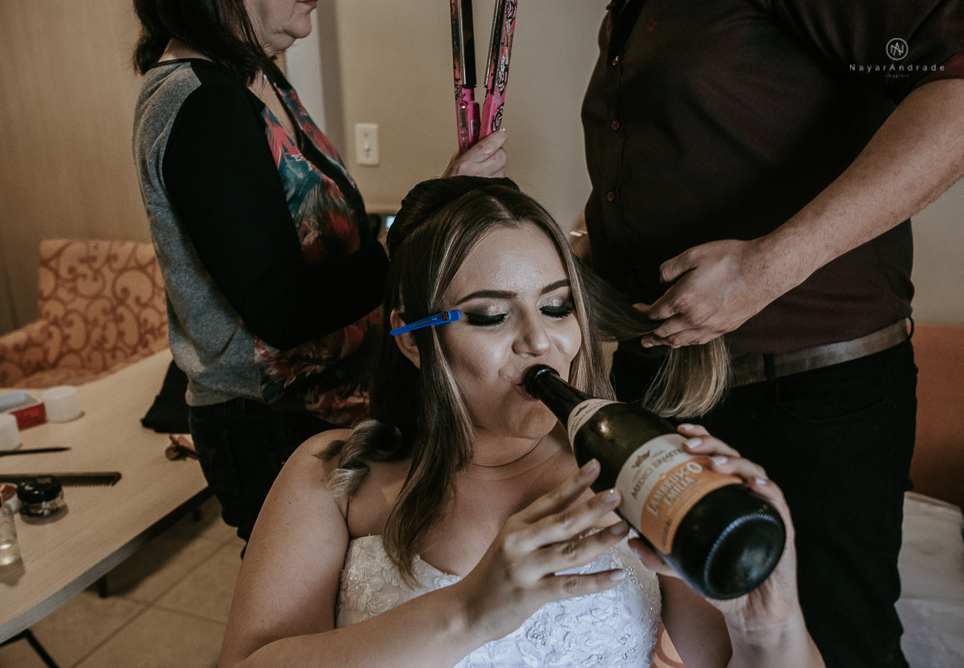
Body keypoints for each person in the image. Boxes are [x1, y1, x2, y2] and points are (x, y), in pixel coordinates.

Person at [217, 177, 823, 668]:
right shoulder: (334, 476)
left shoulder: (638, 478)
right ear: (412, 341)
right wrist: (468, 613)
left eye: (557, 306)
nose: (541, 340)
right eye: (488, 316)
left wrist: (771, 626)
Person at [580, 2, 964, 666]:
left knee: (837, 644)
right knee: (713, 649)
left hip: (807, 396)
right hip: (669, 390)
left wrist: (767, 267)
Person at [130, 0, 508, 542]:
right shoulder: (201, 103)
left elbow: (327, 235)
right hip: (268, 424)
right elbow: (282, 309)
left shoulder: (256, 75)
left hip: (333, 404)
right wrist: (417, 229)